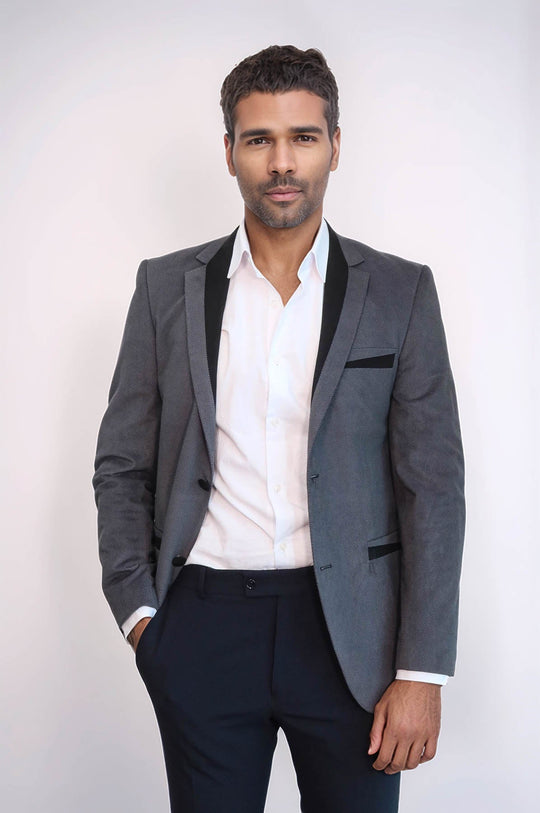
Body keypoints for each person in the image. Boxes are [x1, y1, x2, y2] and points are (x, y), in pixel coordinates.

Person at [93, 44, 465, 813]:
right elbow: (122, 464)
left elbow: (433, 487)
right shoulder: (165, 288)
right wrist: (142, 620)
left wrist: (422, 671)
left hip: (353, 636)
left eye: (303, 137)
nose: (283, 162)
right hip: (201, 625)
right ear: (230, 151)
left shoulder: (400, 293)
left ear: (336, 145)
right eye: (260, 139)